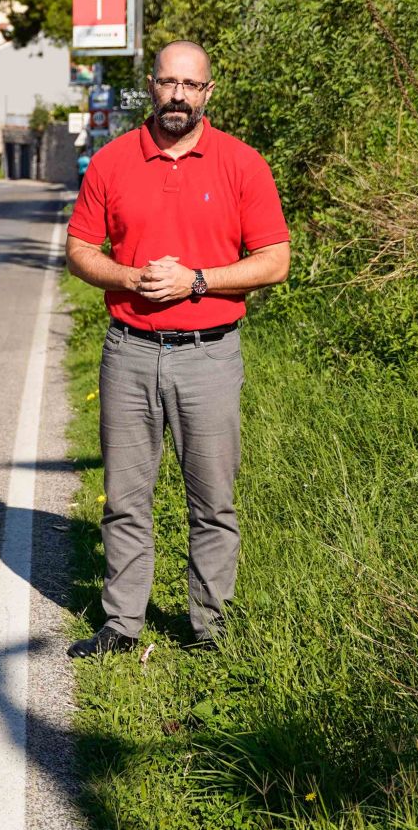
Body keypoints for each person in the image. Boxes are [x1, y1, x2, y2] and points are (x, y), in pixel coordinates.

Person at [64, 40, 291, 658]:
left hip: (209, 354)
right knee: (125, 498)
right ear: (152, 85)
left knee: (212, 501)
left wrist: (197, 280)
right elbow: (80, 249)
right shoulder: (111, 163)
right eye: (168, 83)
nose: (178, 96)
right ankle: (121, 624)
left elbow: (275, 261)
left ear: (208, 93)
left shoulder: (242, 165)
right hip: (128, 351)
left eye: (191, 86)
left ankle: (210, 629)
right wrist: (129, 277)